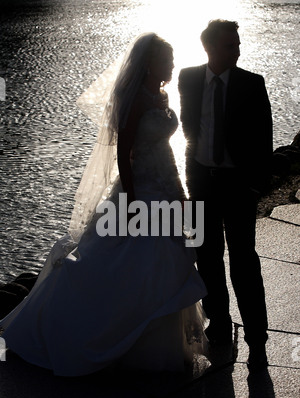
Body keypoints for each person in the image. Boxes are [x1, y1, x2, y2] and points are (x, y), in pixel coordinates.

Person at [0, 33, 208, 377]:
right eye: (166, 59)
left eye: (172, 59)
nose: (171, 64)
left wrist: (178, 191)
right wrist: (130, 197)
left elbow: (165, 149)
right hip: (138, 192)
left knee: (165, 264)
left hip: (163, 188)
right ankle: (88, 336)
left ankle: (159, 347)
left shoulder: (161, 95)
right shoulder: (135, 100)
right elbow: (124, 154)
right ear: (149, 62)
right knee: (121, 265)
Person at [178, 20, 273, 372]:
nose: (238, 50)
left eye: (237, 43)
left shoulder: (251, 84)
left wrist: (253, 188)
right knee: (208, 256)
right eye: (230, 45)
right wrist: (191, 181)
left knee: (244, 259)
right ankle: (219, 322)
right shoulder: (188, 79)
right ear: (210, 49)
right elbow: (190, 131)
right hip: (203, 182)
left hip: (238, 185)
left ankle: (257, 335)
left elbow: (264, 139)